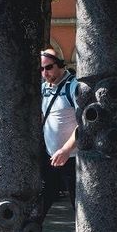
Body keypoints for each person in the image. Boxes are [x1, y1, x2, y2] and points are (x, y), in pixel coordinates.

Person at [40, 50, 78, 219]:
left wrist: (66, 150)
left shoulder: (73, 86)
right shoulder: (44, 87)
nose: (45, 73)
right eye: (41, 69)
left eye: (48, 67)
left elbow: (85, 123)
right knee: (41, 204)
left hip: (72, 158)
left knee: (79, 206)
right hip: (51, 156)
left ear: (61, 65)